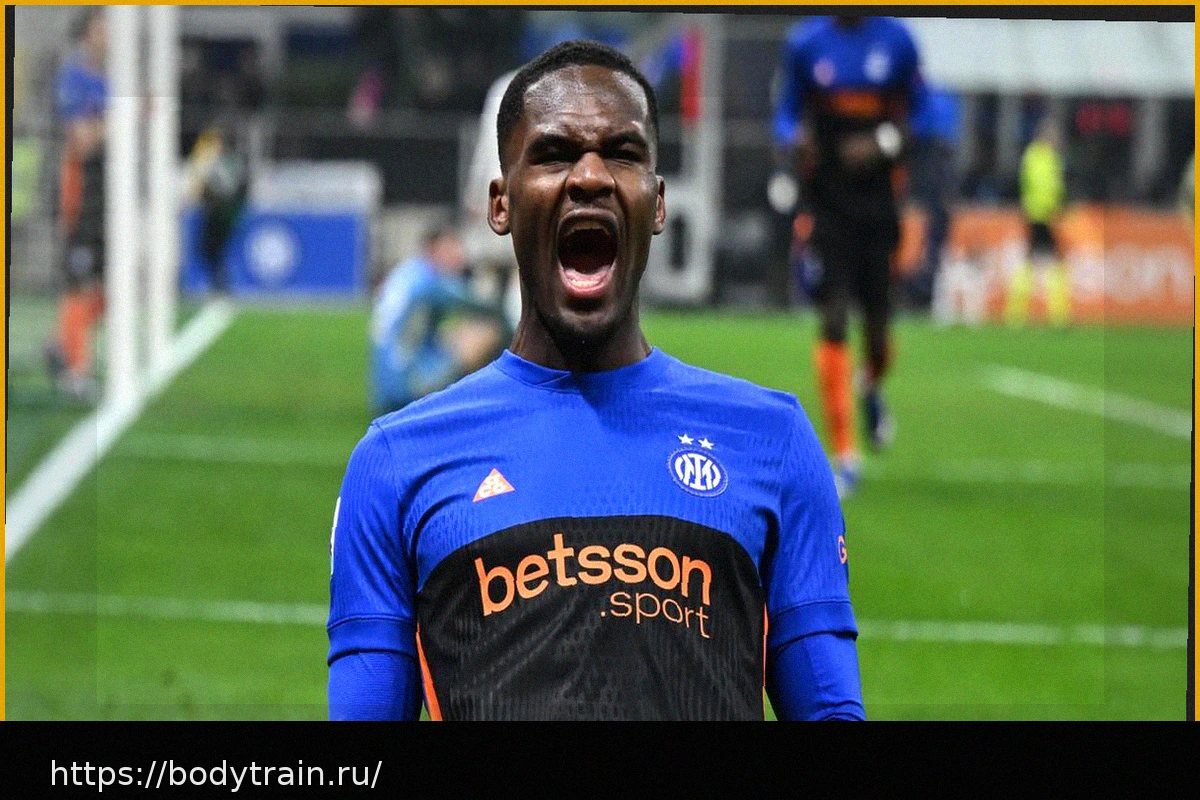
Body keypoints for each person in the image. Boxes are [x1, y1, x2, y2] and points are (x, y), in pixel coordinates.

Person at [329, 40, 865, 721]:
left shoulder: (773, 440)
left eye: (622, 153)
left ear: (658, 204)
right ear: (500, 203)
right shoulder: (395, 463)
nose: (589, 176)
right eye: (554, 154)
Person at [773, 15, 926, 498]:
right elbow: (784, 114)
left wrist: (881, 144)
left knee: (878, 334)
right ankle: (845, 455)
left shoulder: (897, 42)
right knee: (834, 317)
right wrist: (794, 139)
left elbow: (924, 115)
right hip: (827, 207)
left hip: (879, 207)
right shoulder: (806, 43)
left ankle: (870, 384)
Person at [369, 221, 508, 415]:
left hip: (386, 388)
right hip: (408, 387)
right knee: (486, 333)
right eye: (452, 249)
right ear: (434, 250)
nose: (459, 256)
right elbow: (483, 305)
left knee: (454, 333)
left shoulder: (408, 272)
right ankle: (485, 401)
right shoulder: (430, 281)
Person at [45, 8, 108, 401]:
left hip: (112, 197)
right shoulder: (74, 78)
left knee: (115, 287)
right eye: (103, 28)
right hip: (81, 194)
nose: (110, 35)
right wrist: (118, 120)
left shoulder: (116, 80)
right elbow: (82, 142)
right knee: (80, 282)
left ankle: (59, 341)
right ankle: (76, 371)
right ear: (87, 34)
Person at [1005, 116, 1069, 328]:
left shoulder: (1033, 155)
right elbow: (1048, 186)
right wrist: (1054, 207)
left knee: (1031, 261)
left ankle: (1016, 313)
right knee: (1054, 263)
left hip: (1034, 213)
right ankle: (1057, 315)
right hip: (1043, 215)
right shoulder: (1043, 157)